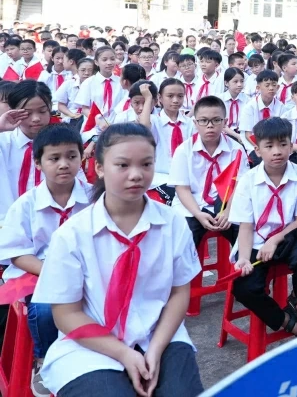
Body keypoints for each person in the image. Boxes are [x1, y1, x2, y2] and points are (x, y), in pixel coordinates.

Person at [32, 123, 204, 397]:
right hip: (90, 344)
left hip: (158, 333)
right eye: (122, 165)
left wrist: (157, 349)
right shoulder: (73, 234)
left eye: (146, 164)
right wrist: (124, 353)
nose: (136, 175)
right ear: (99, 167)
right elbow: (66, 314)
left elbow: (179, 293)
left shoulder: (173, 223)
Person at [0, 124, 90, 395]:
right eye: (54, 158)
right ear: (38, 163)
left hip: (85, 268)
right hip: (38, 270)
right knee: (45, 307)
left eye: (71, 156)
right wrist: (53, 271)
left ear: (81, 158)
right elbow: (16, 253)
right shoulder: (26, 204)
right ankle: (45, 358)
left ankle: (95, 353)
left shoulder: (95, 199)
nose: (64, 164)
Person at [229, 117, 297, 338]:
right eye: (269, 146)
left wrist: (275, 239)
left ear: (290, 145)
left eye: (283, 144)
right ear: (257, 150)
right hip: (255, 241)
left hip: (289, 237)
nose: (277, 151)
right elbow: (246, 227)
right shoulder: (247, 181)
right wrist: (245, 258)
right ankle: (285, 320)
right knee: (244, 288)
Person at [168, 96, 246, 247]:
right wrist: (198, 214)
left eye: (216, 120)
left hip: (225, 204)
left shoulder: (236, 149)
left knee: (244, 232)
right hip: (192, 206)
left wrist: (228, 211)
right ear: (195, 123)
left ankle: (240, 267)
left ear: (225, 122)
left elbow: (240, 185)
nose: (210, 126)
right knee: (184, 238)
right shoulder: (184, 150)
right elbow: (182, 188)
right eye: (203, 121)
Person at [0, 81, 55, 218]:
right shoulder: (3, 143)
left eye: (42, 111)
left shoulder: (60, 144)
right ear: (13, 111)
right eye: (27, 113)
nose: (36, 119)